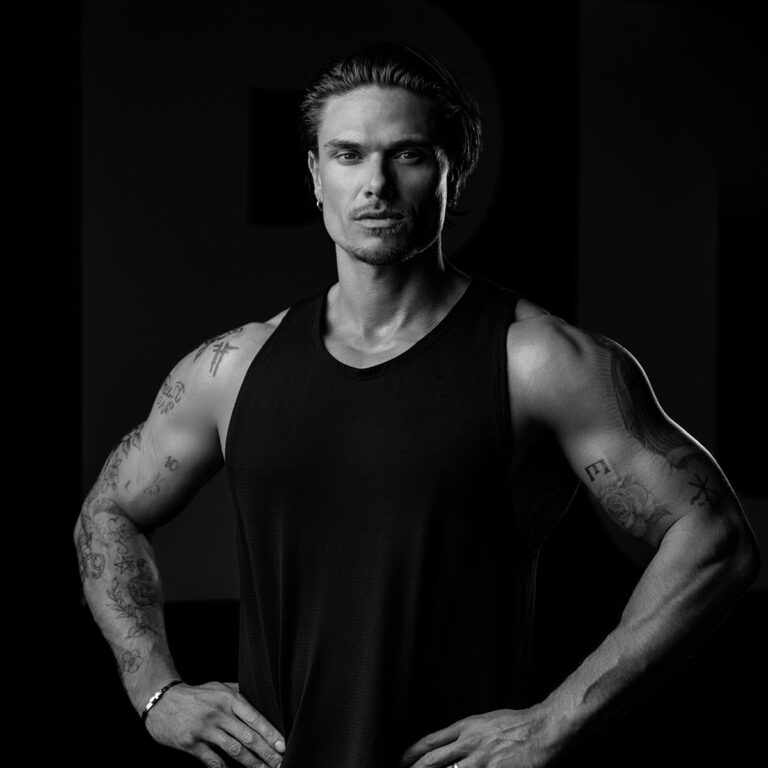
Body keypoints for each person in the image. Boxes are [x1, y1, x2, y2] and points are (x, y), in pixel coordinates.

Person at [75, 42, 759, 768]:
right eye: (347, 155)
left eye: (407, 154)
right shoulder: (234, 368)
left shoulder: (537, 361)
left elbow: (714, 538)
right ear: (315, 175)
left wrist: (556, 721)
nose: (376, 184)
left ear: (450, 172)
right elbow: (107, 512)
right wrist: (156, 691)